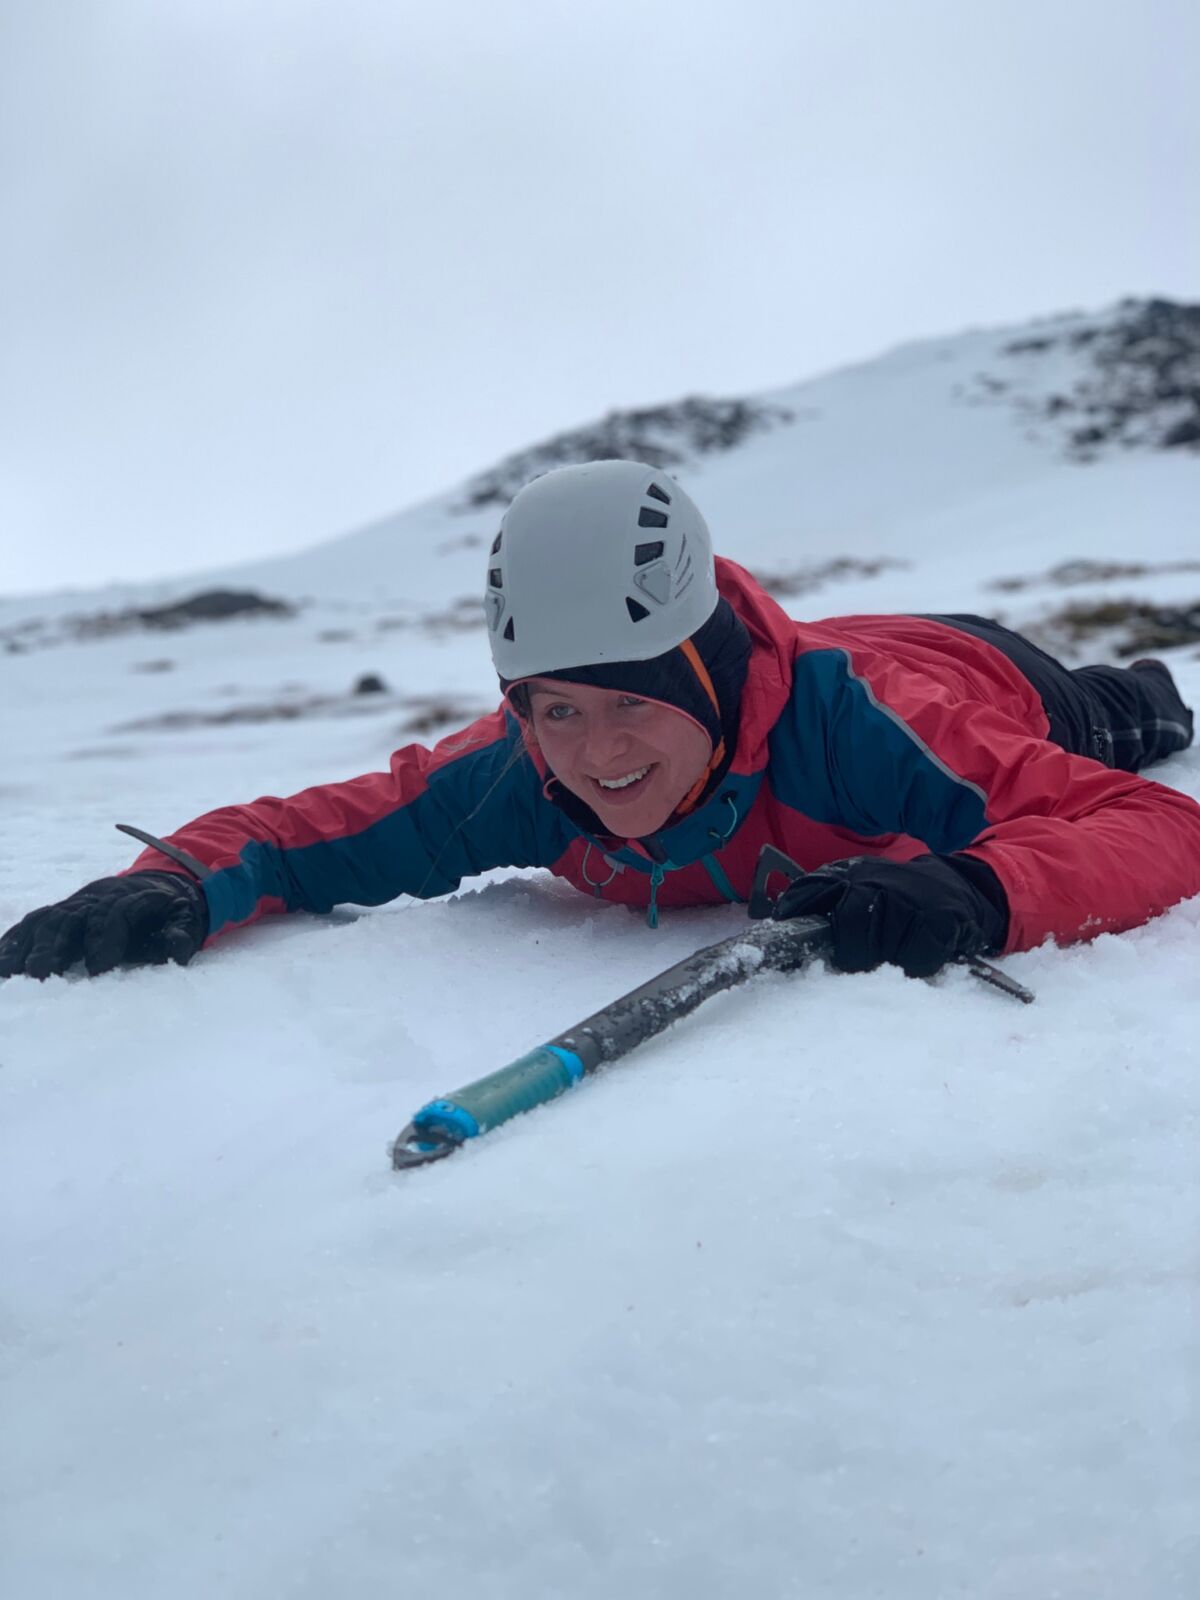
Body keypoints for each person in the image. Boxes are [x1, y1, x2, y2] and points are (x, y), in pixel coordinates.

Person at [2, 460, 1198, 984]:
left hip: (975, 664)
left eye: (634, 701)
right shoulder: (521, 775)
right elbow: (304, 835)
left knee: (1125, 720)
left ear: (710, 681)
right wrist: (176, 883)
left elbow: (1154, 825)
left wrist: (978, 889)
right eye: (557, 707)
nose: (597, 754)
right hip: (847, 644)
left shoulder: (864, 727)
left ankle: (1141, 683)